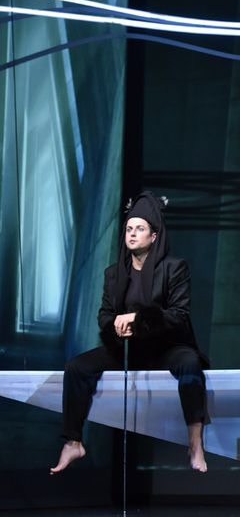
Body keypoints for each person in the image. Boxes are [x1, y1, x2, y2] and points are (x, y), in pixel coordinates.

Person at [50, 192, 210, 474]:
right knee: (76, 367)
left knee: (190, 363)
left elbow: (179, 315)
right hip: (129, 350)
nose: (132, 234)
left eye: (140, 229)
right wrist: (115, 325)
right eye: (129, 229)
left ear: (154, 236)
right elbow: (104, 315)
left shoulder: (173, 268)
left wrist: (137, 319)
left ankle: (195, 442)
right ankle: (73, 442)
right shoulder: (114, 274)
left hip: (167, 349)